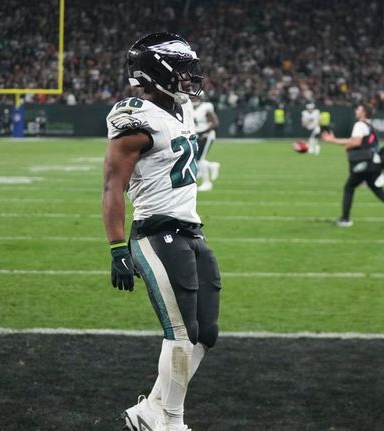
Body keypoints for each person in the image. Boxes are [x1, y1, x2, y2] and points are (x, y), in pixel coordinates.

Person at [102, 32, 221, 431]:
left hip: (190, 228)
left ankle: (151, 410)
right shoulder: (134, 116)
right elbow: (112, 187)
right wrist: (118, 248)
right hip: (155, 231)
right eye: (184, 70)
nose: (191, 77)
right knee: (182, 332)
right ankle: (170, 421)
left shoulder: (179, 109)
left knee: (205, 333)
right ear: (157, 71)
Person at [321, 104, 384, 228]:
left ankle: (345, 219)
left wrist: (333, 140)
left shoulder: (359, 125)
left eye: (359, 109)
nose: (356, 111)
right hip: (374, 163)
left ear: (364, 112)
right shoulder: (369, 125)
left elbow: (356, 142)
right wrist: (342, 143)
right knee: (377, 190)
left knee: (349, 187)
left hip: (365, 163)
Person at [193, 92, 220, 192]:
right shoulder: (191, 108)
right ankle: (212, 166)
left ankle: (207, 183)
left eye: (194, 96)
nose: (192, 98)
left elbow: (215, 123)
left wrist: (202, 132)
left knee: (199, 159)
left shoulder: (206, 107)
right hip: (198, 135)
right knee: (196, 159)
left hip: (206, 136)